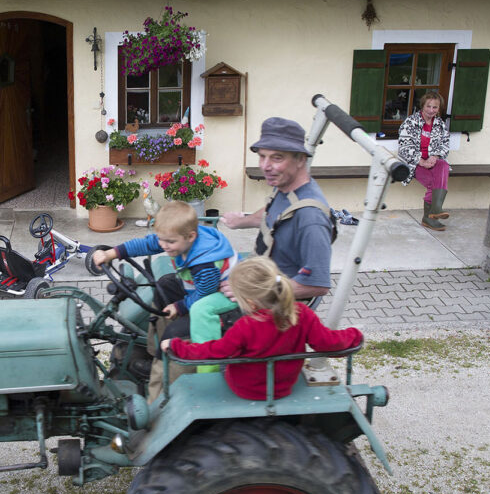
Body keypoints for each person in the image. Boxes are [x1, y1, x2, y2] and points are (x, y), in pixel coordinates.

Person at [161, 257, 363, 401]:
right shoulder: (302, 313)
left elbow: (213, 351)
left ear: (251, 302)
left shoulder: (245, 326)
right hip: (284, 385)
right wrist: (354, 335)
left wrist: (176, 346)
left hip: (246, 388)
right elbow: (327, 342)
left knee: (223, 362)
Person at [90, 200, 237, 347]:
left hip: (224, 296)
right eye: (161, 239)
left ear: (191, 236)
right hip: (203, 288)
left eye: (170, 242)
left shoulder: (204, 265)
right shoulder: (177, 237)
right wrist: (111, 253)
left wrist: (179, 306)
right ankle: (151, 348)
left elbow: (204, 295)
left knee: (173, 333)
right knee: (163, 285)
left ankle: (164, 363)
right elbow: (147, 244)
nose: (163, 245)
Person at [218, 117, 334, 302]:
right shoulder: (286, 186)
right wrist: (240, 221)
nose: (265, 166)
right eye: (262, 156)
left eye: (277, 157)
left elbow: (317, 285)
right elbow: (273, 213)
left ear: (300, 160)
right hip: (257, 273)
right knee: (177, 280)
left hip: (273, 305)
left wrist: (251, 290)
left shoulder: (311, 218)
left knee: (189, 318)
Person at [397, 90, 451, 232]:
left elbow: (445, 144)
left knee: (444, 165)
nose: (431, 110)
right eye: (429, 106)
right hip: (414, 163)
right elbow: (404, 147)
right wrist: (421, 161)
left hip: (432, 162)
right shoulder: (411, 122)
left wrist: (436, 156)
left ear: (439, 109)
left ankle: (434, 211)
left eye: (435, 107)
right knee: (434, 183)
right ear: (423, 106)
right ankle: (431, 216)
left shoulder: (440, 124)